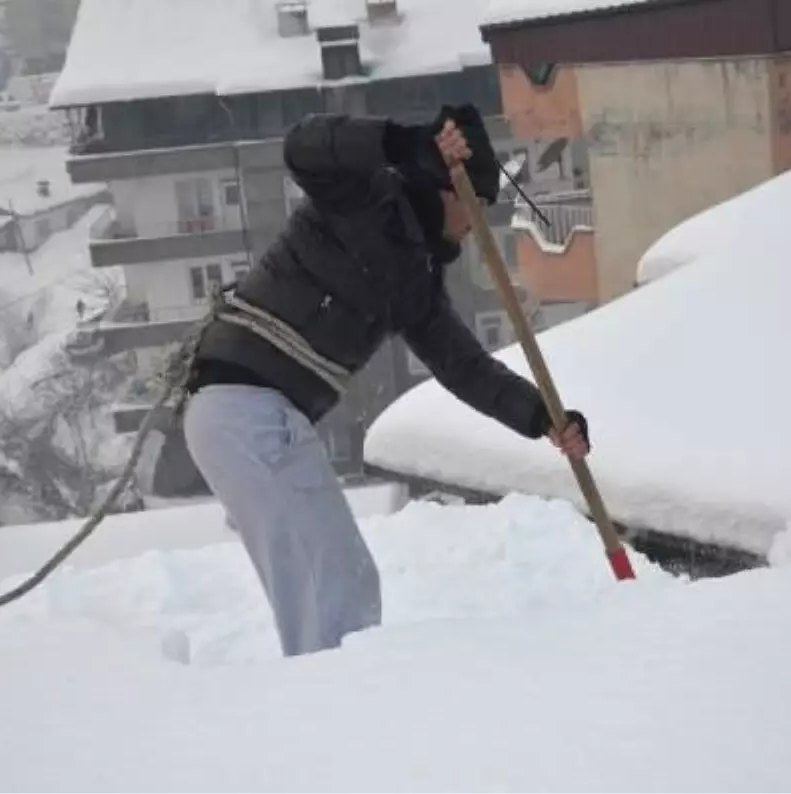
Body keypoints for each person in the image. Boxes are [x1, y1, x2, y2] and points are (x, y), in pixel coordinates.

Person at [180, 104, 592, 658]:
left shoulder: (415, 279)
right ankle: (340, 714)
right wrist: (405, 142)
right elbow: (303, 143)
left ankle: (325, 708)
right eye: (480, 205)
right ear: (450, 191)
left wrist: (544, 417)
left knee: (321, 590)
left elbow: (464, 367)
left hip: (251, 417)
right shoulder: (360, 198)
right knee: (338, 589)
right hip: (246, 409)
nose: (477, 225)